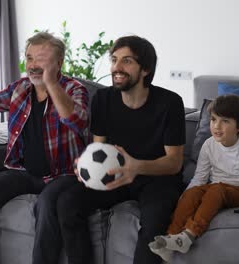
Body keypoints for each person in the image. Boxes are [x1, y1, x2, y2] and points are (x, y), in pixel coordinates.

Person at [56, 35, 186, 264]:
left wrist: (135, 166)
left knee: (155, 221)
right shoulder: (103, 99)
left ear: (145, 69)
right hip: (115, 174)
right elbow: (97, 146)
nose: (117, 67)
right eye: (114, 59)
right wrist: (85, 164)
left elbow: (174, 162)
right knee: (68, 202)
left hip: (156, 179)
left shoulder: (170, 103)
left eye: (127, 61)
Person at [0, 32, 88, 264]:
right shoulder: (20, 89)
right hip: (24, 172)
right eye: (30, 58)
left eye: (41, 58)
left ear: (59, 62)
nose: (33, 65)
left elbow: (75, 119)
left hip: (65, 174)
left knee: (47, 203)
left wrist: (51, 83)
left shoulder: (74, 89)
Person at [149, 94, 239, 262]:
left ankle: (189, 236)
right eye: (213, 120)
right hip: (216, 188)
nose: (217, 126)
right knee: (193, 193)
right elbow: (200, 177)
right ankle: (171, 238)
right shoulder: (208, 145)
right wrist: (185, 196)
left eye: (225, 121)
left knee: (216, 189)